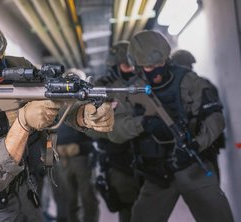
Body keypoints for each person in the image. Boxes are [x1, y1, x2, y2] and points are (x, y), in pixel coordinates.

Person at [0, 16, 115, 222]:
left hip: (27, 191)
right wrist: (24, 122)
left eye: (0, 57)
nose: (1, 66)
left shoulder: (15, 66)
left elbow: (49, 97)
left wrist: (80, 113)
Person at [109, 30, 233, 222]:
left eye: (160, 63)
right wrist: (143, 124)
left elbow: (215, 118)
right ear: (138, 66)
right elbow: (115, 132)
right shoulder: (130, 91)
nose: (157, 71)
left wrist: (197, 144)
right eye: (150, 66)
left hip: (193, 168)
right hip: (156, 175)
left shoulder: (189, 81)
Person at [93, 41, 141, 222]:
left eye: (133, 65)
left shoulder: (142, 83)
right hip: (119, 161)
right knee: (127, 209)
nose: (131, 70)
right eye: (127, 66)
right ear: (114, 66)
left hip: (148, 159)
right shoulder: (101, 88)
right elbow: (91, 128)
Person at [171, 49, 226, 181]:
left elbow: (215, 116)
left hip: (203, 145)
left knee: (208, 187)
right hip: (200, 146)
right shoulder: (204, 84)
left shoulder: (199, 85)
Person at [51, 123, 99, 222]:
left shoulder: (81, 109)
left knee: (87, 196)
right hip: (61, 160)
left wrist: (80, 148)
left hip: (81, 158)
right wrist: (48, 160)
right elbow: (48, 136)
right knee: (69, 198)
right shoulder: (52, 112)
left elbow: (94, 137)